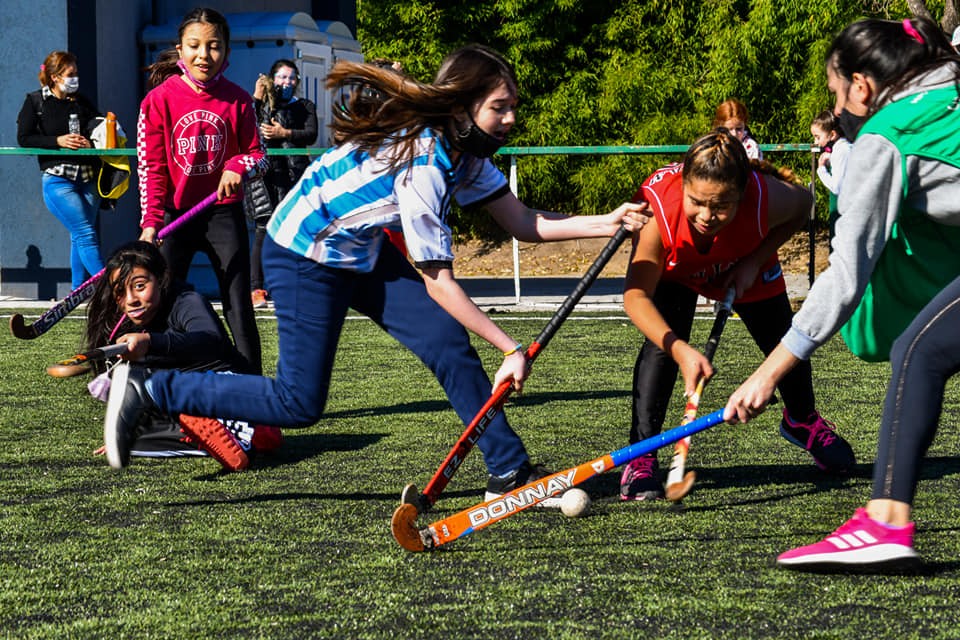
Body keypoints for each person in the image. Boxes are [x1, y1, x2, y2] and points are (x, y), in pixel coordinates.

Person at [102, 44, 648, 504]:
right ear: (463, 108)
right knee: (298, 403)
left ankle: (507, 470)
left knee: (447, 343)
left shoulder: (464, 152)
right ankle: (152, 388)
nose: (510, 119)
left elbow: (524, 222)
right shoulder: (426, 163)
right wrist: (510, 346)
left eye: (513, 107)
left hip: (357, 249)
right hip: (304, 252)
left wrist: (608, 222)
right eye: (499, 108)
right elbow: (439, 281)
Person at [726, 17, 960, 571]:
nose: (837, 109)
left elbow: (845, 276)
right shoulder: (948, 90)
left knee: (919, 352)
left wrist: (768, 373)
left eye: (835, 93)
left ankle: (885, 522)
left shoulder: (887, 136)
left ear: (861, 85)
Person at [620, 129, 855, 501]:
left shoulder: (765, 197)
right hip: (676, 271)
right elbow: (635, 296)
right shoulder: (656, 210)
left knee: (784, 338)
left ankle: (802, 420)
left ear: (743, 193)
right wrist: (681, 350)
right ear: (683, 185)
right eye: (697, 202)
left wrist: (754, 261)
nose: (707, 216)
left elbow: (803, 204)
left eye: (721, 205)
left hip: (743, 259)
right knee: (661, 346)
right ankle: (641, 453)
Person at [137, 7, 269, 374]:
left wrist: (238, 165)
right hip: (174, 216)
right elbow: (152, 168)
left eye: (214, 46)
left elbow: (260, 156)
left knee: (238, 303)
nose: (204, 55)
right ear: (180, 49)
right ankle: (154, 383)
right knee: (160, 303)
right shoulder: (157, 100)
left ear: (226, 51)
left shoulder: (238, 100)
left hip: (222, 214)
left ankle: (252, 387)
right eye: (194, 46)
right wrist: (150, 223)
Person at [86, 241, 282, 470]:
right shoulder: (126, 324)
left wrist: (151, 342)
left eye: (139, 286)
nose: (130, 300)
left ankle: (237, 432)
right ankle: (217, 434)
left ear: (161, 279)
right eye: (120, 292)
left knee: (265, 434)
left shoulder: (186, 301)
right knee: (135, 433)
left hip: (229, 387)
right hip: (191, 404)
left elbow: (210, 339)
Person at [17, 51, 104, 290]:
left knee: (79, 236)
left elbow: (99, 127)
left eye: (76, 73)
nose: (75, 78)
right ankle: (111, 288)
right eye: (70, 74)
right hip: (58, 180)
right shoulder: (35, 101)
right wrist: (58, 141)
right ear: (55, 77)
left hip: (88, 178)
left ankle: (77, 291)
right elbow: (24, 138)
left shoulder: (81, 101)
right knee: (85, 233)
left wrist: (91, 142)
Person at [248, 59, 318, 309]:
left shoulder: (304, 106)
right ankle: (257, 288)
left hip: (296, 174)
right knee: (263, 230)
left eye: (291, 78)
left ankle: (294, 286)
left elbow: (311, 134)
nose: (286, 83)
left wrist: (284, 133)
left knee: (296, 229)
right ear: (272, 78)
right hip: (267, 176)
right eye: (281, 77)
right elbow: (245, 125)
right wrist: (257, 98)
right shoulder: (261, 105)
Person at [809, 109, 850, 242]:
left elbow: (837, 187)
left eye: (818, 137)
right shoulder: (843, 148)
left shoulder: (841, 150)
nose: (815, 142)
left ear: (832, 134)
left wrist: (821, 170)